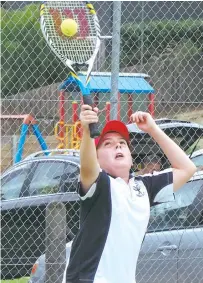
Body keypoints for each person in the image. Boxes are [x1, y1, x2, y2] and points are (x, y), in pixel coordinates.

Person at [63, 106, 196, 283]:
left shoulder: (144, 187)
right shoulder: (101, 184)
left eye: (122, 142)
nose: (117, 144)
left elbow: (187, 169)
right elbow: (87, 167)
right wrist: (87, 131)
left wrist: (153, 129)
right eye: (107, 144)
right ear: (97, 159)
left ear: (131, 157)